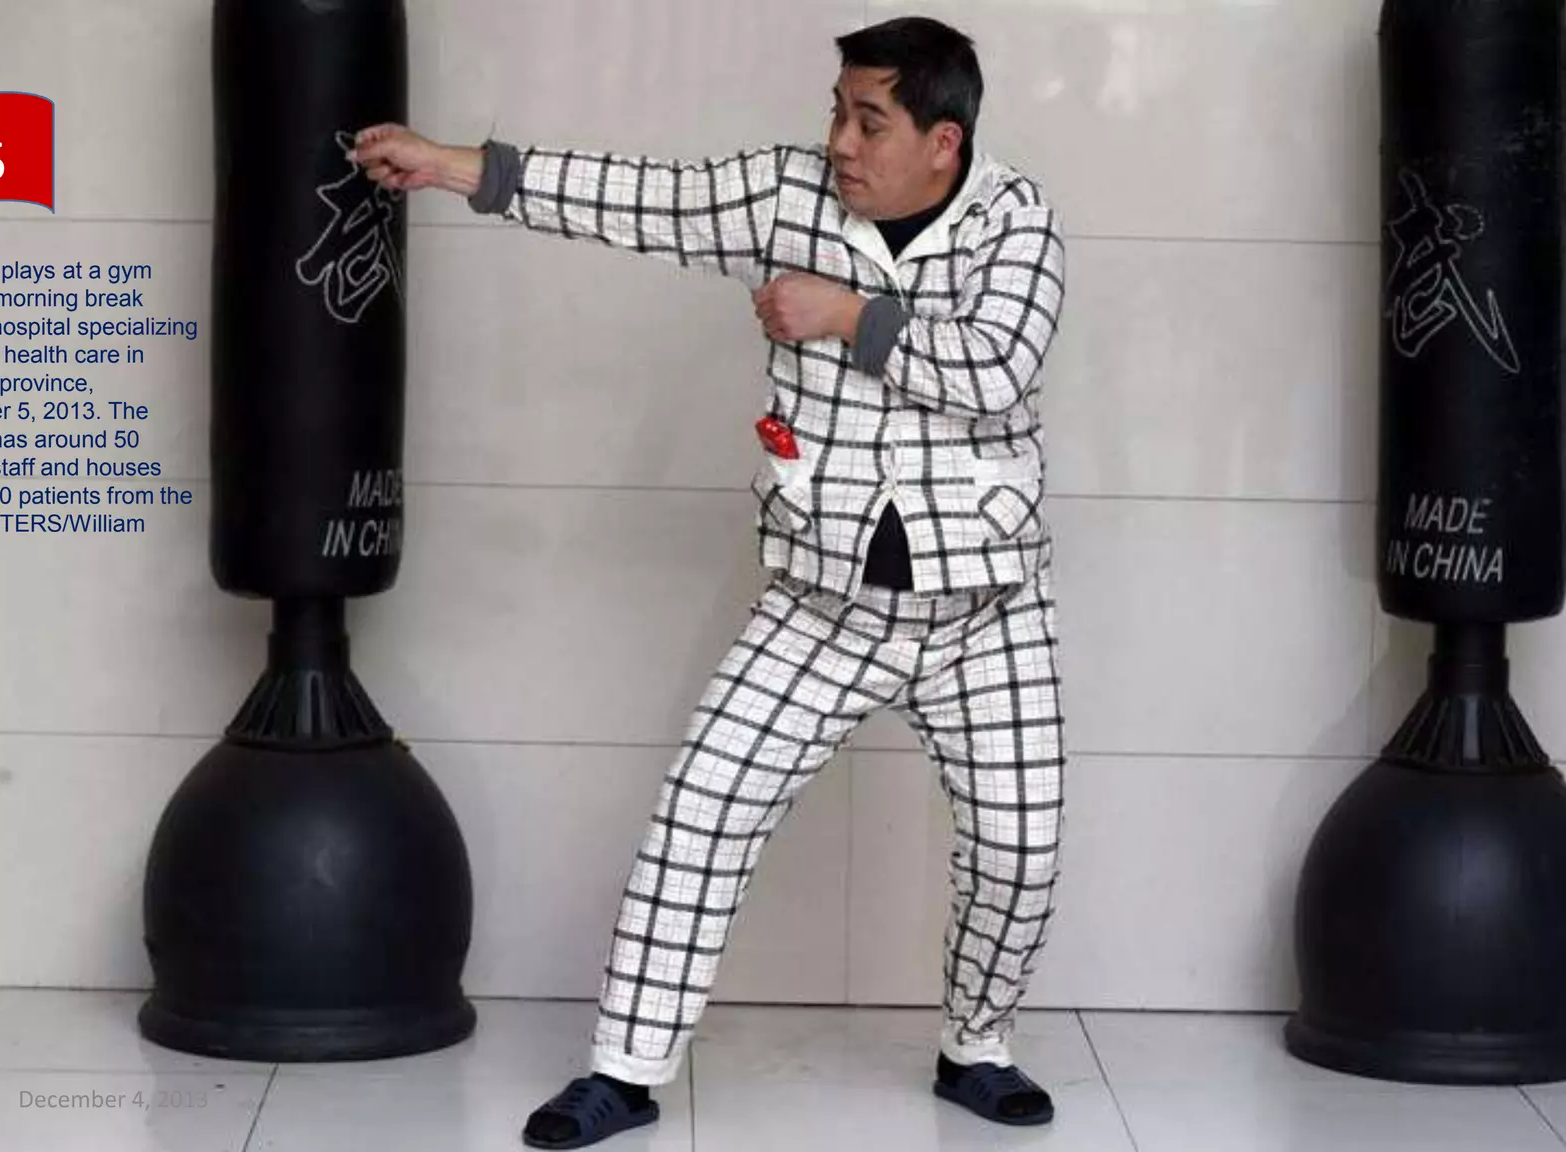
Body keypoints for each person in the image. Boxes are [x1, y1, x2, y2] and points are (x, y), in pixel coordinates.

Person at [350, 15, 1067, 1149]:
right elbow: (639, 198)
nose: (837, 139)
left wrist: (844, 316)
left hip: (986, 611)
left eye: (866, 120)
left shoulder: (1013, 219)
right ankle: (623, 1074)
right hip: (820, 605)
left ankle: (975, 1047)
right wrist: (456, 168)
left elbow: (997, 365)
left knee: (1020, 847)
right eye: (834, 110)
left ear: (942, 140)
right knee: (699, 816)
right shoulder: (783, 196)